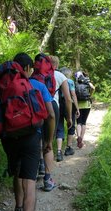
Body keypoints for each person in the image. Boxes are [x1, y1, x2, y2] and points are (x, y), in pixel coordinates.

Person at [0, 52, 54, 211]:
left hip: (9, 139)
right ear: (26, 69)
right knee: (30, 181)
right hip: (31, 137)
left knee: (16, 172)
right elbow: (50, 114)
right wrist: (48, 142)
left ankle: (17, 209)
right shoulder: (36, 85)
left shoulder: (1, 91)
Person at [40, 55, 72, 191]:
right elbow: (69, 99)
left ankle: (40, 165)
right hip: (53, 107)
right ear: (57, 65)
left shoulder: (35, 75)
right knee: (49, 142)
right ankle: (47, 179)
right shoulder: (60, 75)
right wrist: (69, 117)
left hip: (37, 107)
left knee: (38, 138)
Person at [57, 67, 80, 157]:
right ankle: (68, 148)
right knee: (71, 125)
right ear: (68, 74)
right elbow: (73, 95)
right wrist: (77, 108)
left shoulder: (57, 80)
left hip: (59, 104)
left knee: (59, 126)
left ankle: (59, 151)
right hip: (68, 104)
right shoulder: (70, 81)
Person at [75, 70, 95, 149]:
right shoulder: (87, 82)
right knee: (84, 122)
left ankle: (78, 136)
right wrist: (90, 94)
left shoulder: (76, 82)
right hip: (87, 104)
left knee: (78, 122)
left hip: (78, 104)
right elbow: (93, 88)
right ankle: (81, 140)